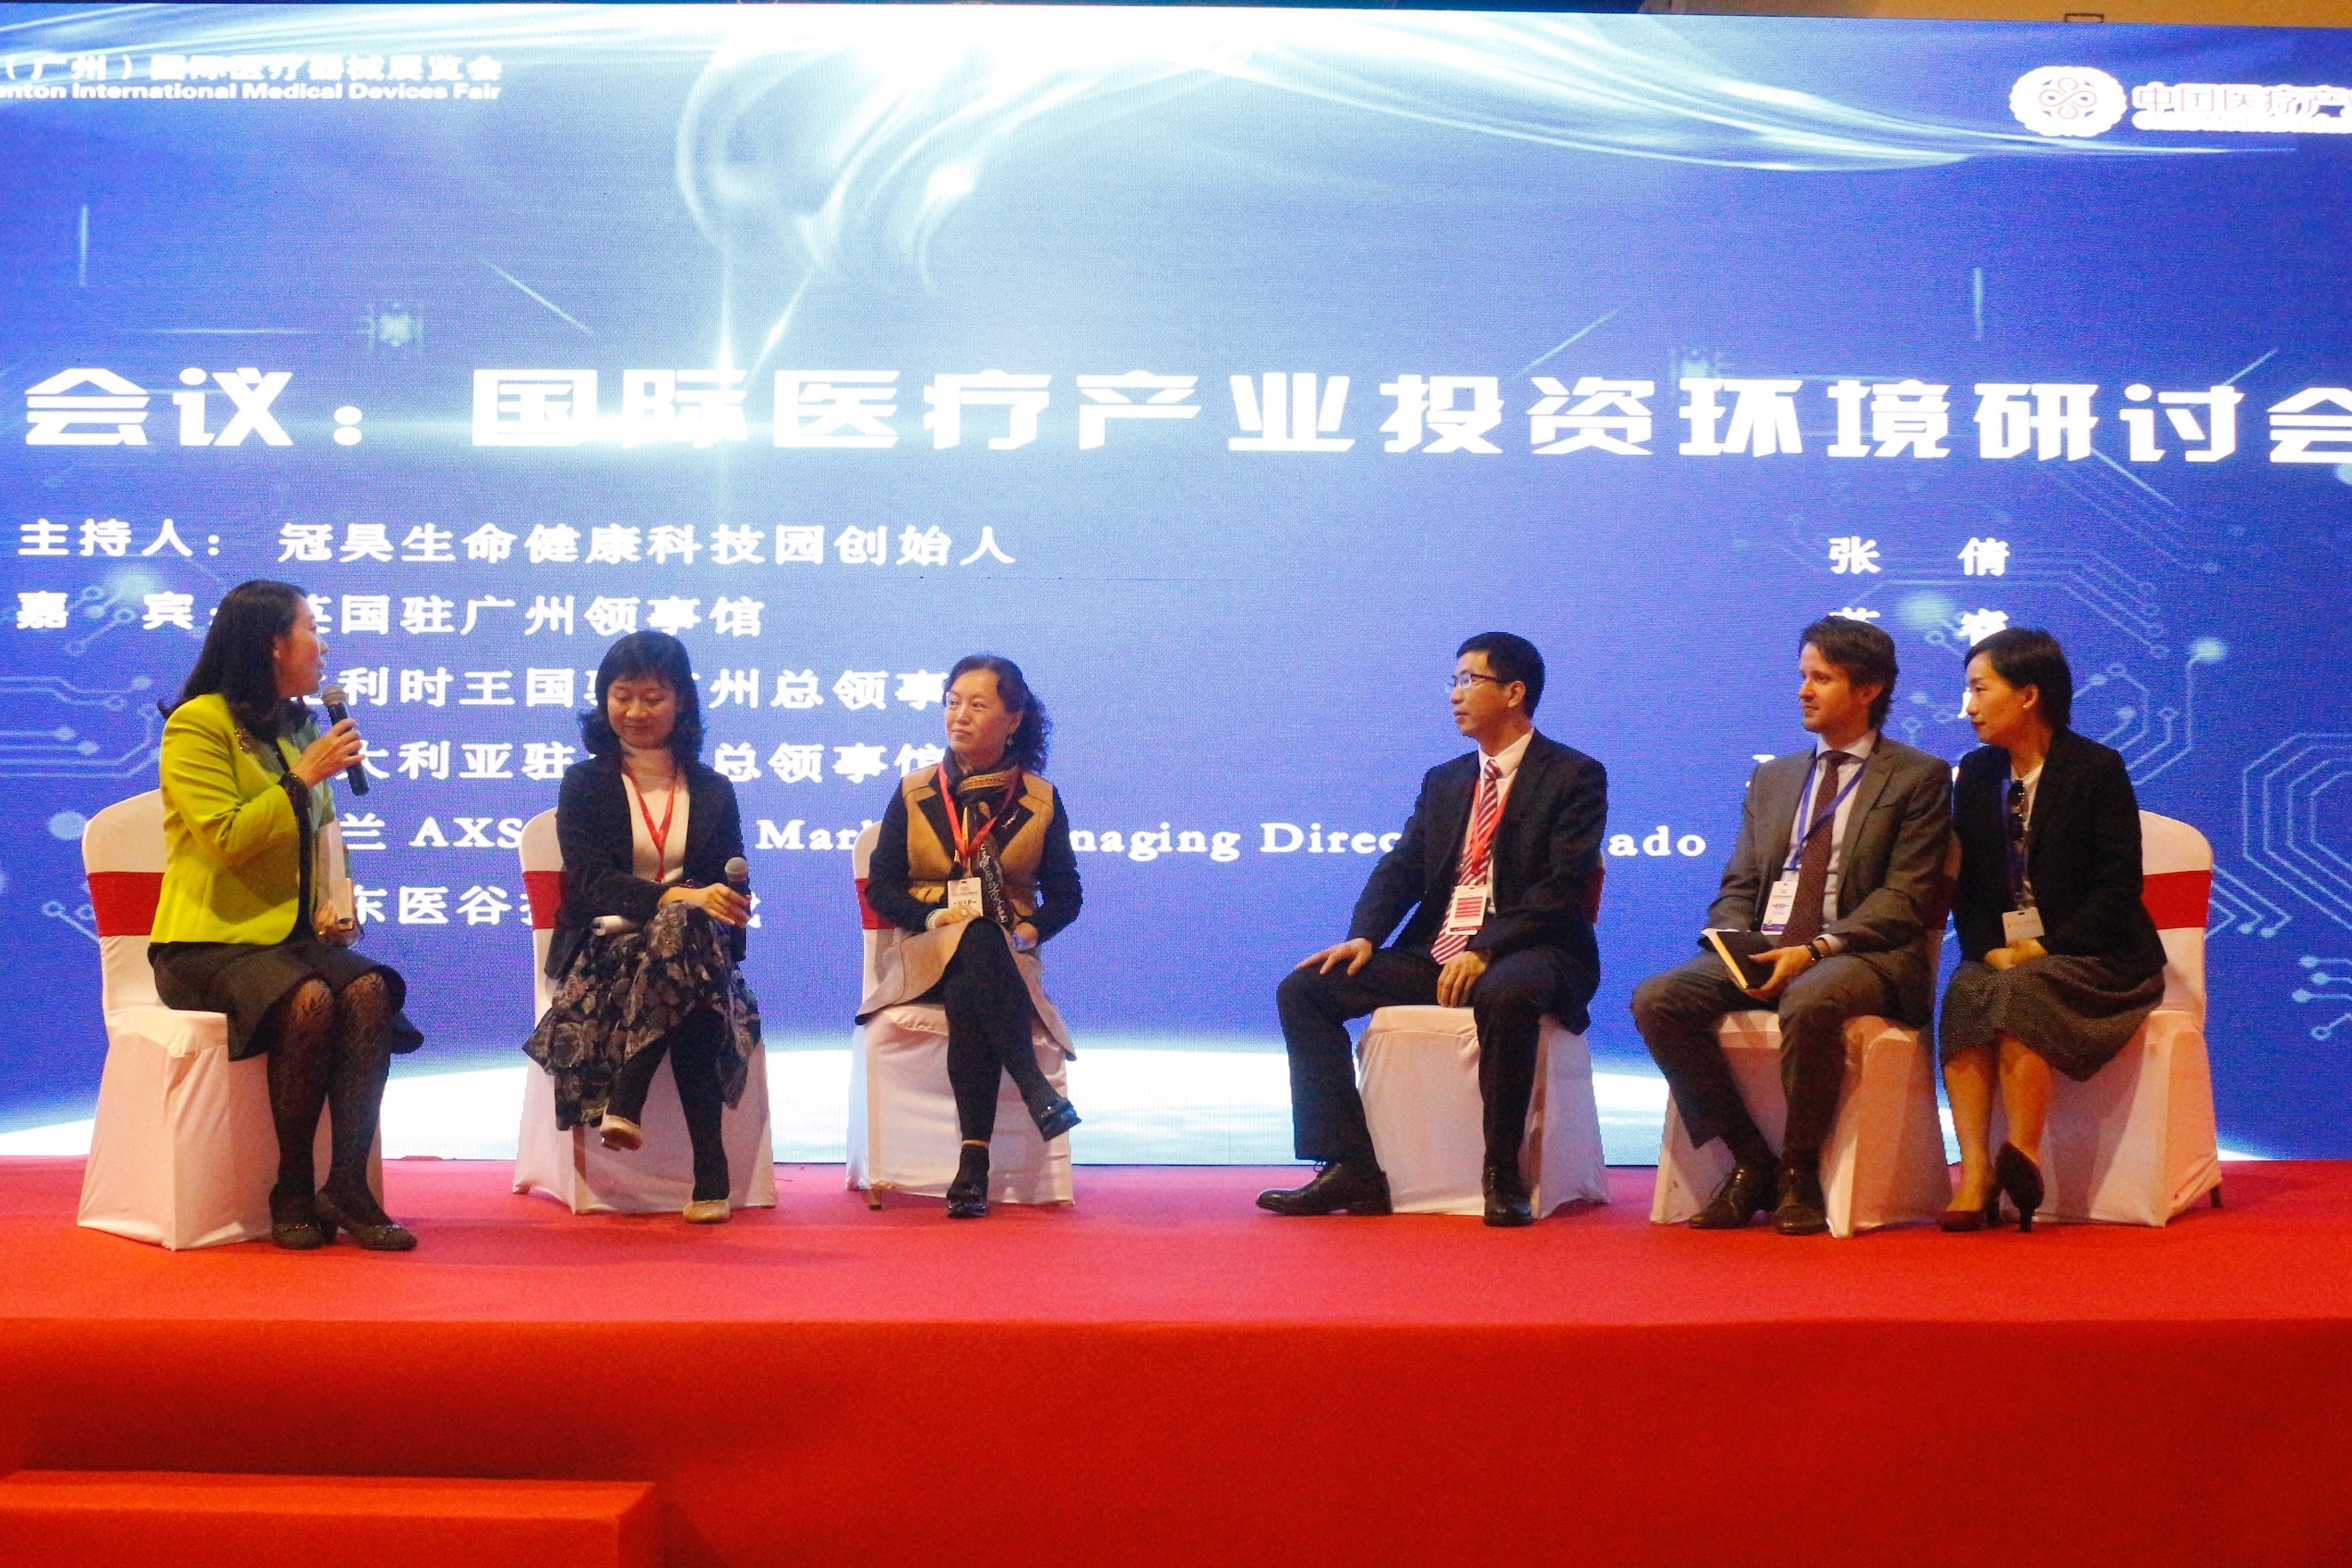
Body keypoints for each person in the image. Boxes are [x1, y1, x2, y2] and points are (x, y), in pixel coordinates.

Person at [1260, 633, 1608, 1227]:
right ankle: (1349, 1165)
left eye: (1469, 680)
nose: (1455, 695)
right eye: (1453, 681)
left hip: (1537, 948)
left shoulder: (1573, 774)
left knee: (1505, 991)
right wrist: (1366, 934)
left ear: (1514, 692)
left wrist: (1487, 946)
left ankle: (1502, 1172)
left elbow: (1562, 885)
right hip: (1440, 949)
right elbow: (1402, 865)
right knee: (1307, 990)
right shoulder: (1445, 780)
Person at [1630, 617, 1950, 1236]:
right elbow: (1740, 883)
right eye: (1803, 676)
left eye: (1822, 678)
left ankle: (1801, 1168)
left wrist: (1817, 948)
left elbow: (1903, 899)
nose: (1804, 690)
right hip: (1770, 946)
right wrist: (1730, 945)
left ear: (1868, 690)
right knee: (1658, 999)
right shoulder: (1774, 777)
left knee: (1811, 997)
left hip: (1863, 954)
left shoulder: (1918, 776)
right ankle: (1752, 1161)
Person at [150, 579, 424, 1251]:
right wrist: (301, 777)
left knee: (370, 988)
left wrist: (339, 905)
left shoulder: (302, 725)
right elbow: (228, 837)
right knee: (309, 999)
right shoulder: (198, 724)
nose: (322, 644)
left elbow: (324, 835)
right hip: (208, 945)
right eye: (311, 628)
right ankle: (293, 1185)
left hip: (295, 940)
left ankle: (348, 1184)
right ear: (274, 643)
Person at [524, 631, 762, 1224]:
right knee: (689, 964)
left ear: (681, 701)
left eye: (652, 697)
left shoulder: (713, 790)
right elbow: (591, 882)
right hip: (604, 952)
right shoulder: (585, 783)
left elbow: (726, 882)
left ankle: (627, 1097)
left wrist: (723, 904)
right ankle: (711, 1170)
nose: (635, 711)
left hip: (693, 954)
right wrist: (678, 896)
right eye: (621, 695)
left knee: (687, 938)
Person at [1940, 628, 2166, 1233]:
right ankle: (1976, 1173)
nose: (1969, 707)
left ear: (2028, 694)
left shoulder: (2095, 769)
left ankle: (2024, 1156)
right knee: (1965, 990)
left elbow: (2118, 889)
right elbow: (1970, 886)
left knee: (2022, 989)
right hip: (2008, 952)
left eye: (1980, 690)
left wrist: (2041, 947)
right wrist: (1987, 948)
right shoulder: (1978, 772)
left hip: (2100, 957)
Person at [860, 654, 1082, 1219]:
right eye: (952, 703)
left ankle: (972, 1165)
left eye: (977, 705)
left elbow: (1067, 898)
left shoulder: (1039, 800)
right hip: (924, 952)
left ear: (1013, 720)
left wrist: (1026, 935)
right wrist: (935, 918)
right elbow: (882, 888)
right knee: (970, 934)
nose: (959, 716)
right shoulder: (915, 791)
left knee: (975, 965)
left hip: (1004, 959)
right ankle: (1033, 1087)